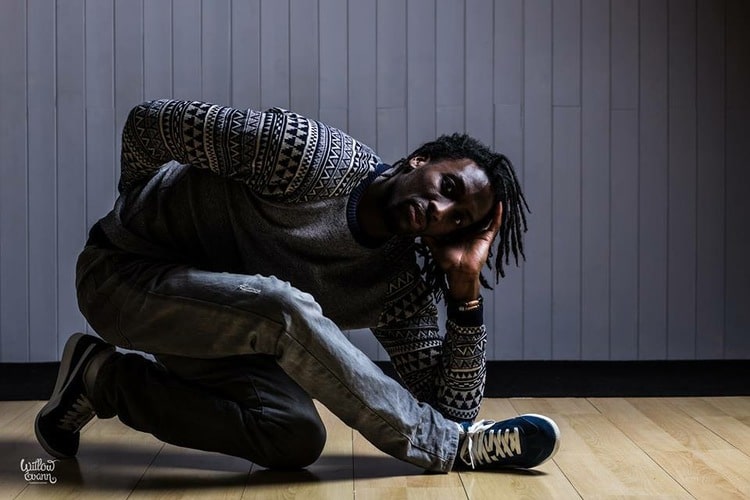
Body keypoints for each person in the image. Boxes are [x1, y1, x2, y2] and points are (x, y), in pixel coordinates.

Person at [35, 100, 559, 473]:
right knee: (281, 306)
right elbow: (148, 124)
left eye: (457, 219)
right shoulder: (304, 156)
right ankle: (444, 451)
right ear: (420, 160)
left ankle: (100, 377)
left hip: (211, 332)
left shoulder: (402, 285)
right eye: (448, 187)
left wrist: (465, 293)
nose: (441, 210)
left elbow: (453, 413)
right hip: (123, 275)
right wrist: (134, 211)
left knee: (293, 435)